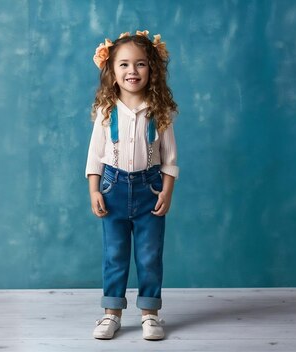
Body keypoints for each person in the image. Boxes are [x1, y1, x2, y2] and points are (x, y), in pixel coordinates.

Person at [86, 30, 179, 340]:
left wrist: (166, 190)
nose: (132, 71)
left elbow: (170, 157)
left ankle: (150, 313)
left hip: (149, 190)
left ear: (151, 69)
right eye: (124, 65)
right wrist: (94, 189)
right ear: (112, 71)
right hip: (113, 189)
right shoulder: (106, 111)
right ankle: (111, 312)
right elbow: (94, 156)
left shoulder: (159, 111)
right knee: (115, 253)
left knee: (150, 254)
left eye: (140, 64)